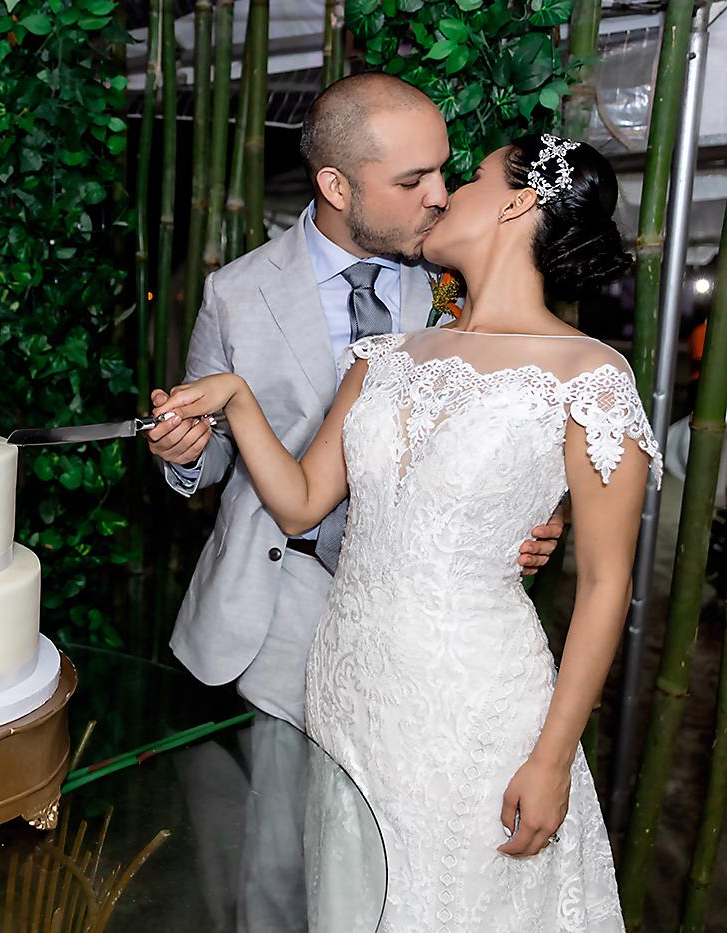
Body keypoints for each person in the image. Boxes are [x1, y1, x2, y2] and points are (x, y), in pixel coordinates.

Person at [156, 133, 654, 929]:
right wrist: (238, 401)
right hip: (347, 688)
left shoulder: (589, 374)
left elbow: (604, 581)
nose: (445, 192)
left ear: (519, 201)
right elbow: (301, 501)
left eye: (472, 177)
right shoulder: (383, 355)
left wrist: (553, 755)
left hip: (472, 698)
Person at [147, 74, 563, 732]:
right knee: (277, 818)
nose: (439, 197)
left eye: (442, 172)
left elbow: (517, 411)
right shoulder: (236, 292)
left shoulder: (456, 281)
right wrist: (186, 450)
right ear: (337, 186)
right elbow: (215, 448)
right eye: (410, 181)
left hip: (415, 617)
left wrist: (536, 508)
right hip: (280, 594)